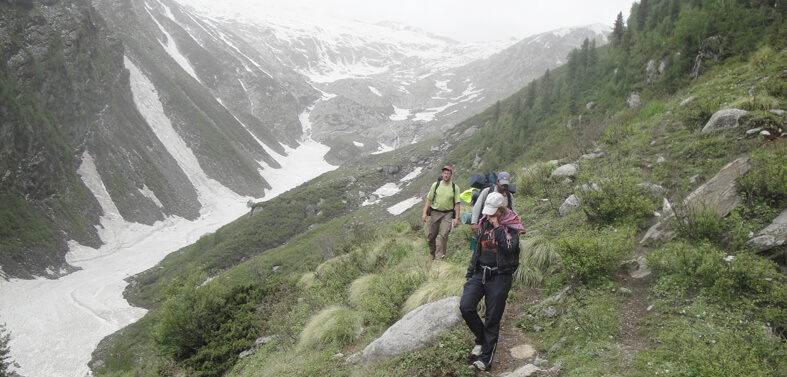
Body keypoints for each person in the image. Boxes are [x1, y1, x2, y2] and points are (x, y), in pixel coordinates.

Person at [460, 192, 526, 372]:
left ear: (500, 209)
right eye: (487, 212)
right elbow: (477, 250)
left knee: (492, 318)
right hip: (479, 273)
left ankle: (485, 360)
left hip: (500, 276)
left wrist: (497, 226)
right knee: (466, 306)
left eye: (492, 213)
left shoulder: (512, 224)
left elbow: (508, 249)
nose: (488, 216)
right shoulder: (484, 221)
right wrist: (470, 273)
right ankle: (481, 339)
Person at [422, 165, 461, 260]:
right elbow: (429, 199)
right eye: (445, 173)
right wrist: (425, 213)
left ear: (451, 174)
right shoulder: (436, 185)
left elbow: (457, 203)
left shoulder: (455, 188)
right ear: (442, 174)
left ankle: (439, 258)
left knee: (444, 234)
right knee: (431, 235)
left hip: (448, 214)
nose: (446, 175)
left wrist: (457, 218)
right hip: (435, 212)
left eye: (448, 173)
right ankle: (432, 253)